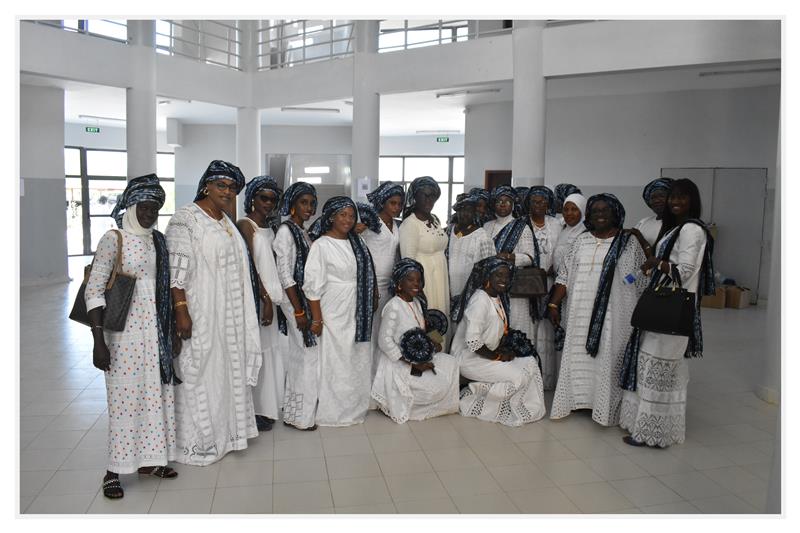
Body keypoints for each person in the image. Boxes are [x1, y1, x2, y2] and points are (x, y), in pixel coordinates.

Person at [86, 174, 179, 499]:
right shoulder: (115, 238)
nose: (149, 214)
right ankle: (113, 471)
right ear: (131, 204)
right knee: (125, 402)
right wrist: (98, 341)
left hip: (154, 333)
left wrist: (171, 331)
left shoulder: (158, 240)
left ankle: (150, 461)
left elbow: (163, 287)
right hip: (123, 335)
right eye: (144, 207)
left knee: (155, 396)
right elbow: (94, 290)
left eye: (155, 208)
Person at [165, 160, 262, 466]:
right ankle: (198, 443)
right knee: (199, 373)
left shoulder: (225, 222)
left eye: (233, 188)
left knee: (224, 375)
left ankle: (226, 435)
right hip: (201, 311)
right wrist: (181, 311)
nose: (228, 192)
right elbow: (175, 272)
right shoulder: (186, 219)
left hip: (229, 317)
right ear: (206, 185)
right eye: (222, 185)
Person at [619, 178, 715, 448]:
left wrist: (655, 262)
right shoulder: (678, 228)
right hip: (662, 306)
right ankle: (649, 429)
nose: (675, 202)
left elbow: (684, 272)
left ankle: (654, 434)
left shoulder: (692, 230)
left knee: (661, 370)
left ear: (692, 201)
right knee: (653, 367)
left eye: (682, 198)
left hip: (671, 309)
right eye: (673, 197)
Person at [547, 194, 646, 426]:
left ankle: (602, 406)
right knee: (577, 355)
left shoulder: (626, 242)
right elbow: (565, 276)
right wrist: (553, 303)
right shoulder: (581, 241)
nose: (600, 215)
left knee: (606, 356)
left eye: (605, 211)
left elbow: (639, 277)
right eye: (595, 211)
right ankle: (576, 401)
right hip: (579, 311)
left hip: (612, 314)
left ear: (616, 214)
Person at [304, 196, 378, 426]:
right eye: (342, 215)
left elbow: (368, 274)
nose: (347, 219)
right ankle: (332, 412)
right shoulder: (321, 245)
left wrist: (373, 294)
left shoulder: (357, 242)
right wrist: (317, 318)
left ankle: (354, 406)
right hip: (333, 307)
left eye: (351, 215)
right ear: (331, 217)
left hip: (358, 306)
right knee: (335, 359)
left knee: (356, 356)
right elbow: (312, 285)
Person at [450, 257, 546, 426]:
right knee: (517, 376)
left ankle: (525, 407)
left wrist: (503, 350)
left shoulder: (496, 297)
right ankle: (474, 401)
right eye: (498, 275)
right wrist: (496, 356)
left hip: (486, 355)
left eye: (507, 276)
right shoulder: (480, 300)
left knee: (530, 362)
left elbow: (495, 332)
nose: (504, 280)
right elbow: (473, 342)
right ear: (487, 276)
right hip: (468, 359)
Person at [371, 259, 460, 423]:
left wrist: (436, 341)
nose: (416, 284)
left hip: (418, 356)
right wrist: (412, 363)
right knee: (433, 388)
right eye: (410, 280)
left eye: (419, 280)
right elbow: (384, 341)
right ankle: (407, 405)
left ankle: (445, 405)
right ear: (399, 283)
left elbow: (425, 326)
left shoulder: (418, 303)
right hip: (398, 362)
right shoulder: (393, 306)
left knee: (451, 362)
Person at [494, 186, 562, 390]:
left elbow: (530, 255)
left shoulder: (556, 224)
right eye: (534, 202)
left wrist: (510, 257)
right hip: (516, 285)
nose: (538, 205)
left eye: (542, 201)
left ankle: (540, 379)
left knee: (540, 328)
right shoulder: (512, 224)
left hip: (541, 283)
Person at [236, 175, 285, 432]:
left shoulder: (271, 227)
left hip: (273, 300)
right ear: (252, 198)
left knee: (270, 351)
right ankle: (252, 409)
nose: (268, 203)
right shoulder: (245, 226)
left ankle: (266, 407)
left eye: (273, 199)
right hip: (257, 300)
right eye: (263, 198)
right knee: (257, 352)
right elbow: (250, 267)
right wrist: (264, 299)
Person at [273, 182, 320, 431]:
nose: (309, 208)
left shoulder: (302, 231)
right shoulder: (285, 232)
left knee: (302, 357)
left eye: (312, 203)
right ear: (292, 204)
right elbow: (285, 275)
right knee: (306, 355)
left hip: (303, 301)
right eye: (304, 202)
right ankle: (301, 417)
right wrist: (299, 311)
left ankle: (297, 413)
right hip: (295, 304)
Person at [357, 182, 404, 382]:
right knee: (370, 331)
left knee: (385, 332)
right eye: (392, 203)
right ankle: (365, 378)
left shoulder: (397, 225)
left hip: (390, 285)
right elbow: (359, 249)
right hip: (371, 284)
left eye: (399, 204)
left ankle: (380, 378)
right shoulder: (371, 223)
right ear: (383, 203)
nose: (396, 208)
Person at [399, 176, 450, 317]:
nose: (429, 200)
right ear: (415, 197)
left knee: (440, 318)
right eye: (425, 195)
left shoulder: (435, 220)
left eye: (433, 196)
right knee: (428, 318)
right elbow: (408, 263)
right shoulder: (410, 224)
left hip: (440, 276)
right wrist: (417, 288)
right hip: (424, 281)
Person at [447, 194, 496, 301]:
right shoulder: (448, 232)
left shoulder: (482, 236)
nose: (465, 214)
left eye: (469, 210)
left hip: (471, 295)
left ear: (474, 213)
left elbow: (488, 268)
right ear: (457, 212)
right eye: (461, 210)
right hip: (447, 290)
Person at [631, 178, 674, 250]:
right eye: (653, 197)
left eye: (661, 196)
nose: (657, 200)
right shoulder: (643, 222)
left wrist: (642, 240)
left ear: (671, 199)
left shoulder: (676, 223)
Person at [552, 193, 587, 278]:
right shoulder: (562, 229)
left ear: (582, 211)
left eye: (574, 209)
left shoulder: (587, 233)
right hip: (558, 281)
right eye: (566, 209)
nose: (569, 213)